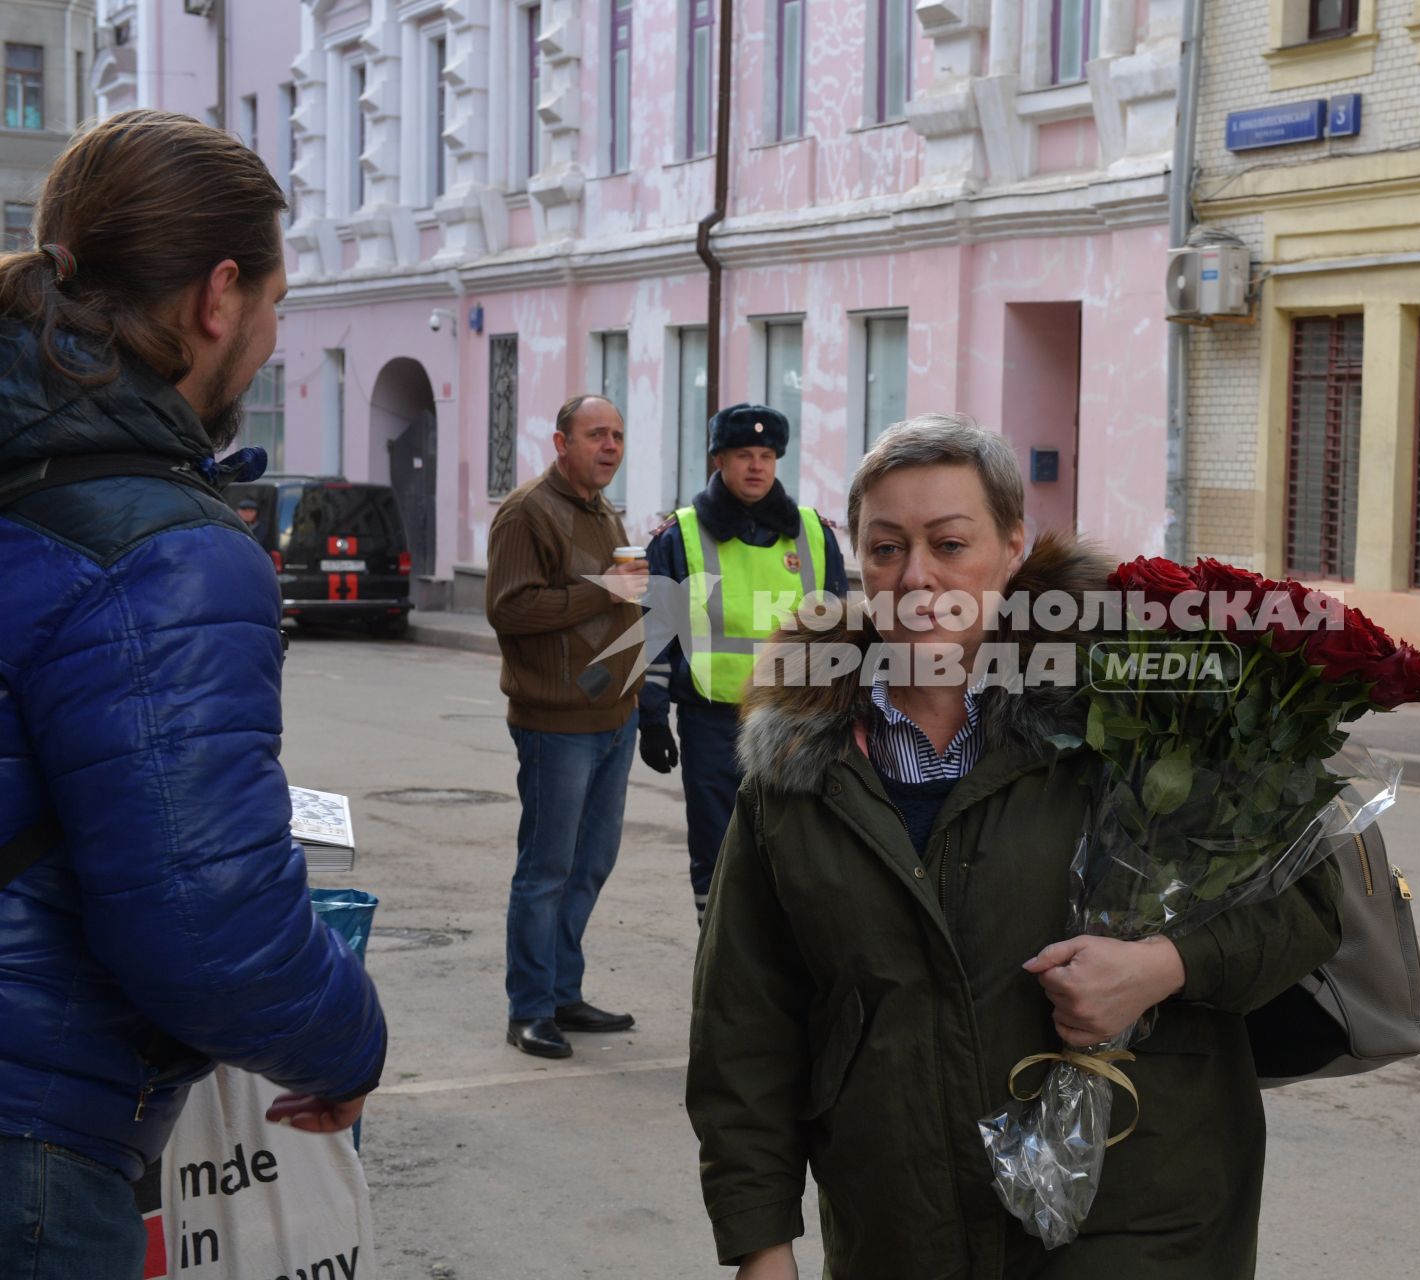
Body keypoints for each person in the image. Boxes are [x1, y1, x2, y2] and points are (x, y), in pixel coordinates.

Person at [686, 414, 1342, 1279]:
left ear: (1012, 547)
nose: (917, 577)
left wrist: (1162, 966)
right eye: (886, 549)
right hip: (901, 1221)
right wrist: (759, 1239)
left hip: (1141, 1204)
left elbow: (1306, 904)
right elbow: (746, 1017)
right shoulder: (798, 765)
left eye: (949, 544)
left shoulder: (1140, 711)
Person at [0, 111, 387, 1280]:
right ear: (219, 297)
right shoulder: (163, 548)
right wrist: (347, 1037)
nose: (271, 337)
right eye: (275, 302)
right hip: (32, 1140)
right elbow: (210, 933)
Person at [486, 393, 650, 1059]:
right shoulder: (528, 512)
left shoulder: (602, 509)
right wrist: (603, 589)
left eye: (617, 435)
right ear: (561, 443)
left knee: (590, 865)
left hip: (614, 716)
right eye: (595, 435)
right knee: (547, 868)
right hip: (557, 722)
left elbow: (619, 601)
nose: (609, 446)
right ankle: (528, 1009)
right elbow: (510, 609)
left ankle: (562, 991)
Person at [639, 403, 847, 921]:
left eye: (766, 455)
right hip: (711, 719)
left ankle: (784, 977)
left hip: (794, 721)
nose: (756, 466)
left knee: (794, 851)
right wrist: (651, 716)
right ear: (718, 460)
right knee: (718, 853)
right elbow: (656, 633)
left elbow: (841, 639)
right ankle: (721, 969)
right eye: (742, 455)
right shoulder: (679, 536)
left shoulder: (814, 534)